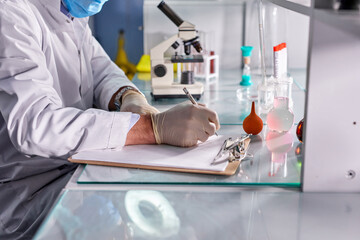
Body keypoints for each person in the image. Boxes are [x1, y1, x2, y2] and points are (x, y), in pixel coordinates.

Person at [0, 0, 219, 238]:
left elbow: (101, 70)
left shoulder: (72, 15)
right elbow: (36, 125)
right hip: (31, 196)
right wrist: (152, 128)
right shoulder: (11, 13)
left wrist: (129, 97)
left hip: (77, 170)